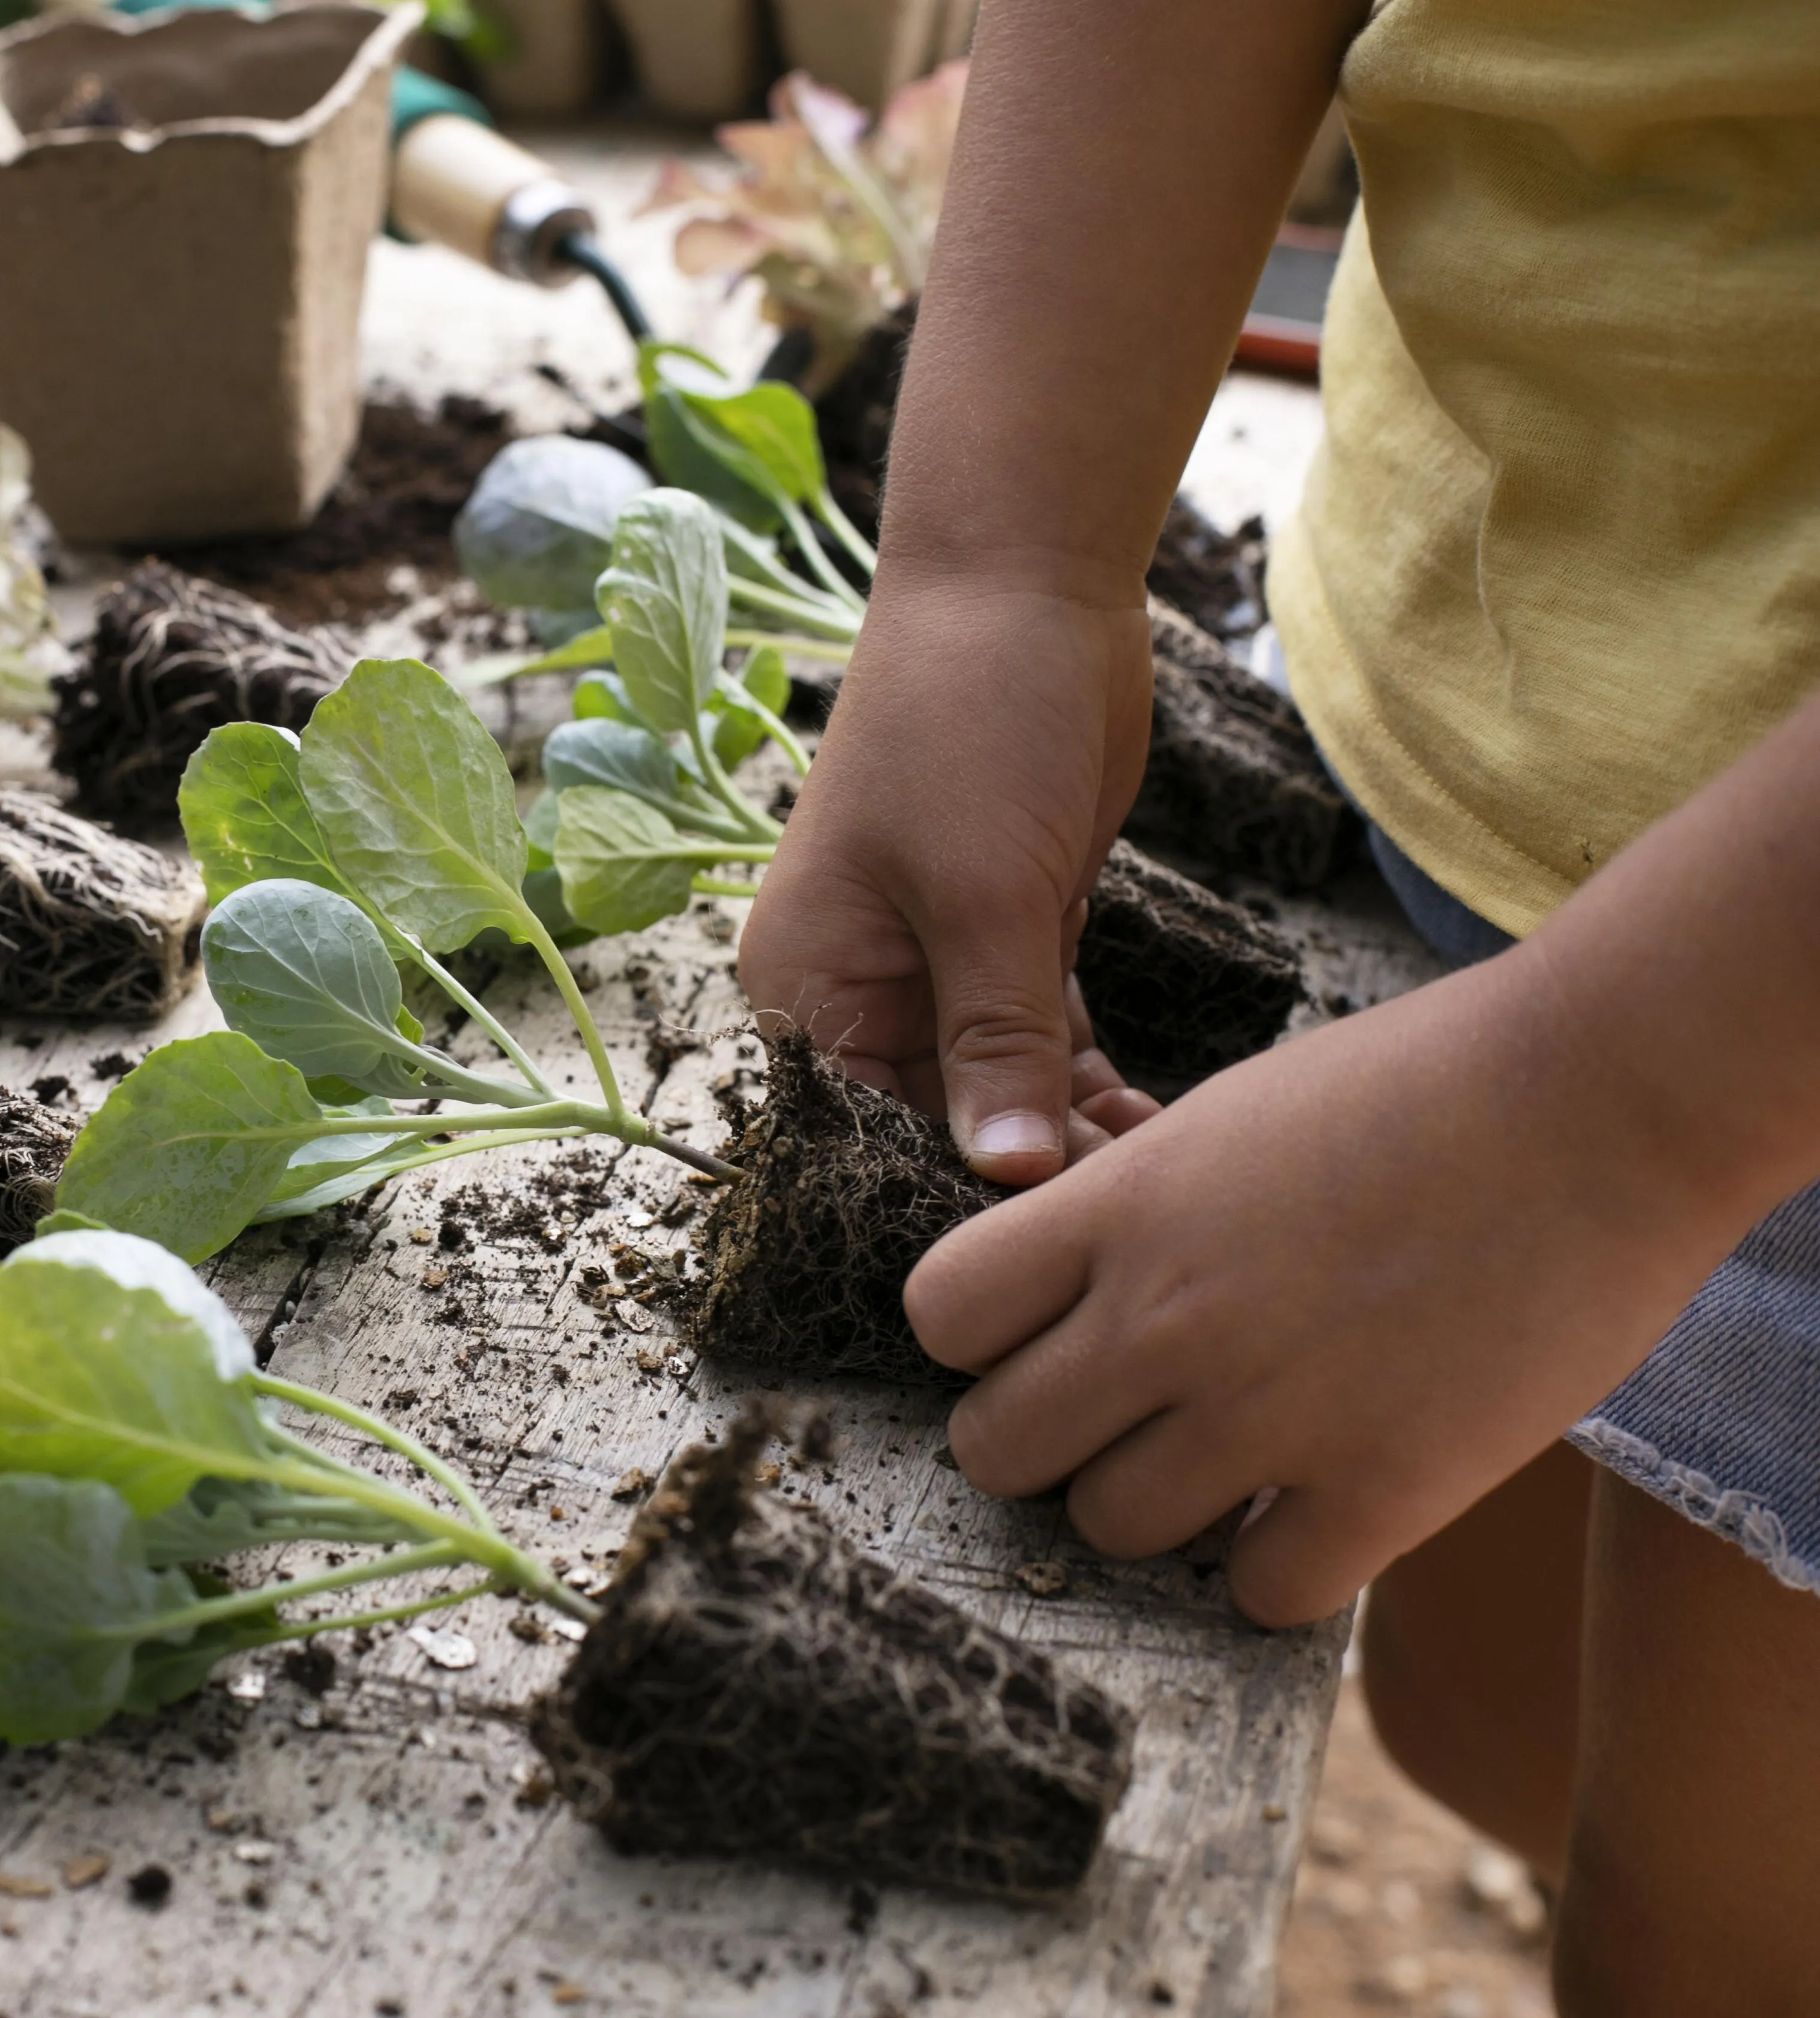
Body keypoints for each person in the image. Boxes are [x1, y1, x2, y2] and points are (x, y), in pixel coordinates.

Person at [733, 2, 1820, 2008]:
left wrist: (1615, 1109)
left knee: (1715, 1944)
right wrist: (997, 562)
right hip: (1486, 741)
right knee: (1490, 1723)